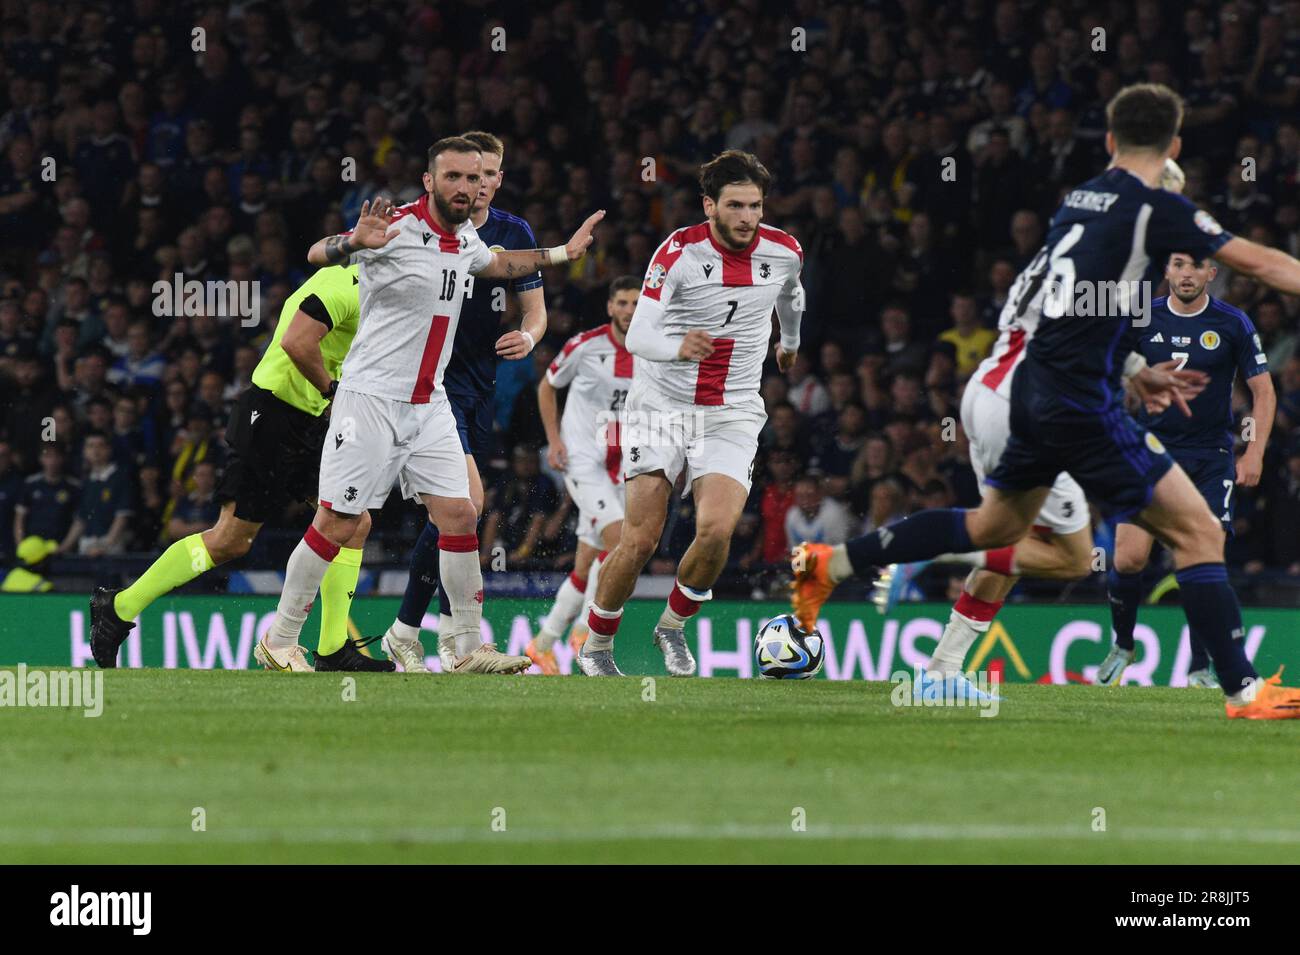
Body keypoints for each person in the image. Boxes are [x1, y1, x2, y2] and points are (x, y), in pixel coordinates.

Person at [792, 83, 1300, 719]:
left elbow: (1070, 308)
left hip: (1004, 386)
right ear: (1172, 145)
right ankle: (1242, 692)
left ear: (1110, 141)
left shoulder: (1079, 205)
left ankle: (836, 566)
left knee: (997, 530)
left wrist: (1136, 368)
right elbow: (1265, 264)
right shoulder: (1154, 208)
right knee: (1188, 531)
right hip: (1061, 400)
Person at [259, 136, 600, 675]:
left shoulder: (465, 238)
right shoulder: (393, 225)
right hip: (371, 399)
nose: (465, 187)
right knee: (339, 520)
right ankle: (279, 639)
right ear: (429, 181)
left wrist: (562, 254)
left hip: (430, 402)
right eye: (454, 178)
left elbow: (499, 263)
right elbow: (317, 252)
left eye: (473, 178)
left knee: (461, 512)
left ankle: (466, 648)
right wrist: (352, 243)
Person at [87, 263, 392, 671]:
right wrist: (334, 393)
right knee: (231, 540)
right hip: (271, 416)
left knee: (354, 521)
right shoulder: (345, 286)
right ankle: (119, 607)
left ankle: (334, 648)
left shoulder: (370, 288)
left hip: (310, 421)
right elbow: (296, 344)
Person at [579, 149, 804, 677]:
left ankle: (671, 628)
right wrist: (678, 347)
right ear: (710, 206)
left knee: (717, 531)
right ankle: (596, 645)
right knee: (638, 539)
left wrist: (789, 341)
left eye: (755, 206)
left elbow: (792, 296)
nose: (748, 217)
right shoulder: (678, 252)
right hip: (660, 407)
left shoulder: (784, 251)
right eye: (735, 206)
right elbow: (639, 334)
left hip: (731, 411)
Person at [370, 130, 543, 675]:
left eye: (489, 173)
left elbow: (535, 311)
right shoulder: (425, 227)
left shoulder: (512, 232)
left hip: (479, 387)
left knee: (457, 511)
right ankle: (456, 639)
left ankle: (404, 630)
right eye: (471, 174)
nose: (480, 183)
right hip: (427, 385)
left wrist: (530, 337)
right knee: (465, 503)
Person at [1097, 250, 1275, 688]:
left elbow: (1263, 392)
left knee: (1202, 556)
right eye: (1178, 264)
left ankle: (1200, 667)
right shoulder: (1142, 318)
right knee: (1128, 557)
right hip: (1150, 451)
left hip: (1210, 457)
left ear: (1211, 273)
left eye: (1196, 266)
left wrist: (1253, 453)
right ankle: (1122, 642)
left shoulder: (1233, 322)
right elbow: (1104, 368)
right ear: (1167, 271)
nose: (1186, 274)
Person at [528, 276, 638, 673]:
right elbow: (547, 386)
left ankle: (541, 645)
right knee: (621, 539)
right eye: (623, 303)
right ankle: (584, 630)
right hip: (581, 459)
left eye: (637, 303)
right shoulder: (585, 345)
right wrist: (555, 441)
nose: (629, 310)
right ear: (610, 307)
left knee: (585, 563)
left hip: (621, 466)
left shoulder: (651, 351)